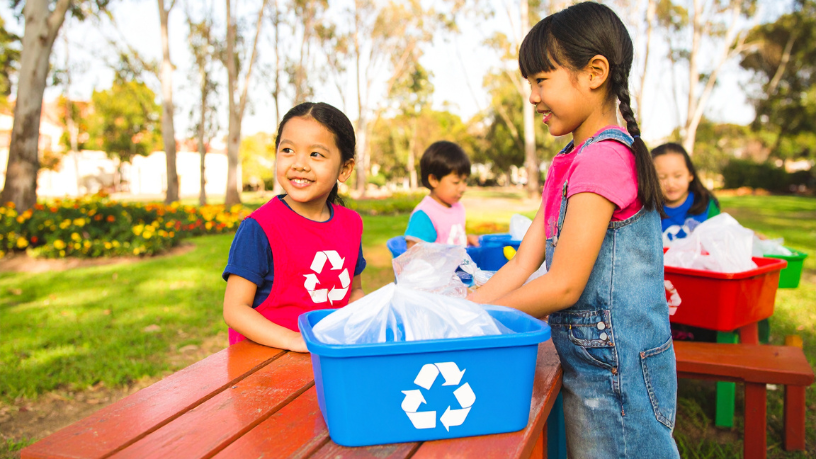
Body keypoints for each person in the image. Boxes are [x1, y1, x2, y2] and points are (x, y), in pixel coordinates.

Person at [468, 3, 679, 457]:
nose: (532, 97)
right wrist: (462, 308)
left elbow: (563, 285)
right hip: (595, 367)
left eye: (541, 80)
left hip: (618, 375)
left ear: (594, 72)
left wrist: (483, 318)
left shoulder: (604, 158)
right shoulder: (570, 162)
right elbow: (525, 262)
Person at [222, 102, 366, 352]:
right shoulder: (259, 228)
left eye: (316, 154)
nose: (299, 164)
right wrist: (295, 341)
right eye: (288, 150)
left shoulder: (351, 224)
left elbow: (355, 290)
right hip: (264, 366)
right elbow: (235, 310)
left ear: (345, 168)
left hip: (326, 358)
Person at [404, 141, 479, 249]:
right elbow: (414, 256)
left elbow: (450, 240)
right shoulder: (425, 215)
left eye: (465, 181)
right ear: (434, 180)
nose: (463, 188)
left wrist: (466, 240)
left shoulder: (458, 207)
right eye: (456, 182)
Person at [652, 142, 720, 241]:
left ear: (690, 175)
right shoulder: (647, 210)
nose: (670, 184)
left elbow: (719, 240)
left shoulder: (706, 204)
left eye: (678, 176)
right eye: (661, 177)